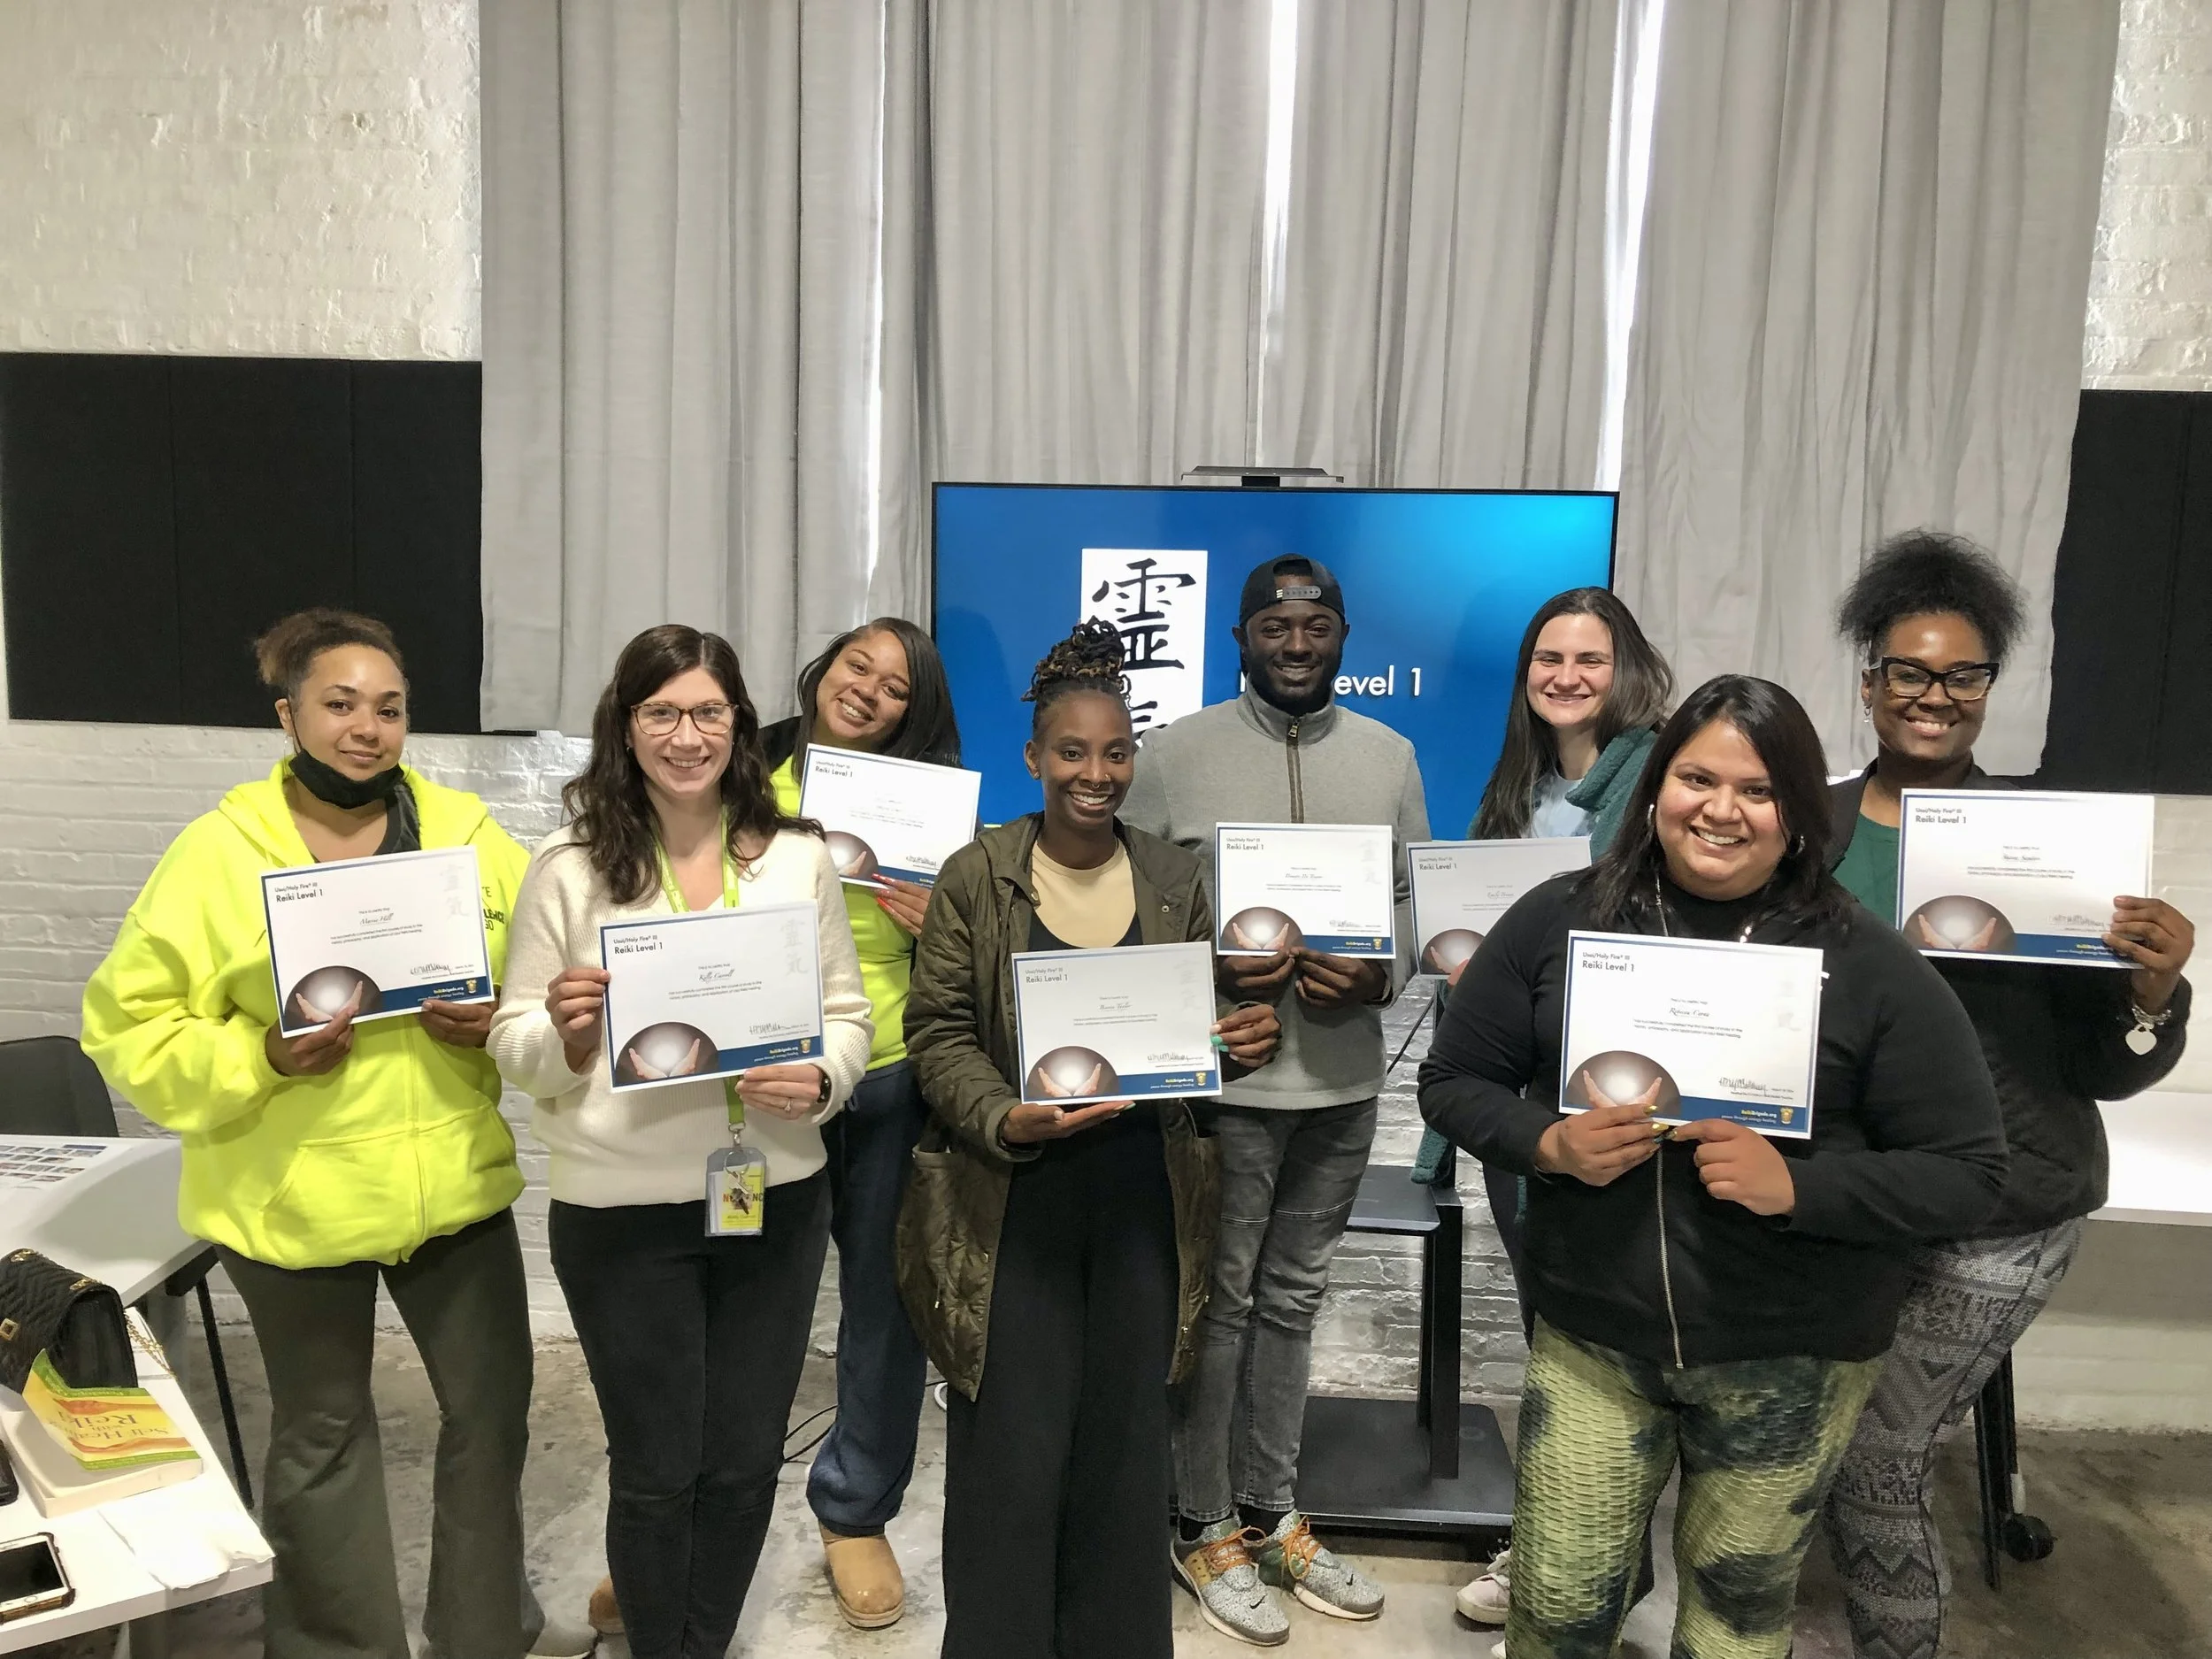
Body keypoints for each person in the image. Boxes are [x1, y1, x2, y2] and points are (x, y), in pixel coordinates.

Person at [1418, 673, 2009, 1659]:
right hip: (1594, 1339)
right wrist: (1547, 1143)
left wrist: (1799, 1187)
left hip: (1792, 1352)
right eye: (1697, 778)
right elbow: (1454, 1080)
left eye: (1760, 789)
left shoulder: (1863, 961)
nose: (1721, 810)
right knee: (1556, 1611)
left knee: (1734, 1623)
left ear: (1798, 812)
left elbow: (1967, 1171)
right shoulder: (1558, 919)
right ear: (1656, 787)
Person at [81, 610, 587, 1659]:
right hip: (289, 1199)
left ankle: (484, 1631)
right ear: (289, 714)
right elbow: (126, 1023)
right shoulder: (217, 854)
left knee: (489, 1421)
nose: (368, 728)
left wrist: (490, 1011)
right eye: (340, 704)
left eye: (389, 707)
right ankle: (332, 1646)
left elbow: (535, 972)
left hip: (450, 1187)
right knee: (321, 1435)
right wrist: (258, 1057)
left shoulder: (464, 834)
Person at [1818, 533, 2195, 1659]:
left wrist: (2151, 991)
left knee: (1877, 1454)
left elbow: (2105, 1068)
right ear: (1869, 680)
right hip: (1842, 1202)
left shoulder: (2052, 848)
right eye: (1908, 671)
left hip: (2002, 1206)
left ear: (1988, 688)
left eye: (1961, 675)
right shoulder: (1808, 832)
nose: (1934, 696)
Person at [488, 625, 875, 1659]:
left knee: (746, 1459)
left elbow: (847, 1012)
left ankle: (698, 1644)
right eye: (661, 712)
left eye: (708, 711)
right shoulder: (568, 870)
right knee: (658, 1464)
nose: (686, 734)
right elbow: (510, 1039)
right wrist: (566, 1036)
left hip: (776, 1196)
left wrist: (827, 1076)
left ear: (739, 724)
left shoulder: (798, 857)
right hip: (622, 1212)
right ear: (626, 727)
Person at [898, 620, 1279, 1658]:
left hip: (1143, 1197)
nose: (1095, 773)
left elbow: (1195, 1031)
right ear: (1033, 759)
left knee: (1122, 1449)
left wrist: (1237, 1046)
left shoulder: (1170, 876)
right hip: (1011, 1196)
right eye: (1072, 752)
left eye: (1115, 753)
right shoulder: (978, 874)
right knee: (1011, 1450)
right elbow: (933, 1033)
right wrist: (999, 1114)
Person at [1118, 555, 1427, 1642]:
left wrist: (1381, 971)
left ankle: (1271, 1510)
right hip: (1229, 1085)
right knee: (1224, 1306)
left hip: (1341, 1085)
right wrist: (1209, 965)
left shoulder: (1390, 756)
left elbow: (1412, 902)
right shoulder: (1172, 754)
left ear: (1343, 635)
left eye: (1317, 626)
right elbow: (1140, 906)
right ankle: (1198, 1522)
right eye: (1274, 627)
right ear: (1242, 636)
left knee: (1293, 1304)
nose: (1296, 644)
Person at [1417, 584, 1675, 1624]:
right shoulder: (1520, 788)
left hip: (1612, 1105)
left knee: (1606, 1353)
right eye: (1548, 660)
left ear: (1628, 672)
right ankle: (1571, 1561)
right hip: (1521, 1110)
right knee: (1555, 1343)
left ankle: (1588, 1579)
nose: (1565, 677)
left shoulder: (1656, 775)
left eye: (1589, 659)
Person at [768, 618, 960, 1627]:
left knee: (886, 1312)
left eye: (894, 688)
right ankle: (687, 1518)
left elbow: (970, 978)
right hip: (758, 1088)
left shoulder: (933, 813)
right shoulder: (741, 771)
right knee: (743, 1307)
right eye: (858, 668)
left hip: (888, 1079)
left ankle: (853, 1513)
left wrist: (942, 932)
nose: (869, 693)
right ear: (822, 669)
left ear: (912, 712)